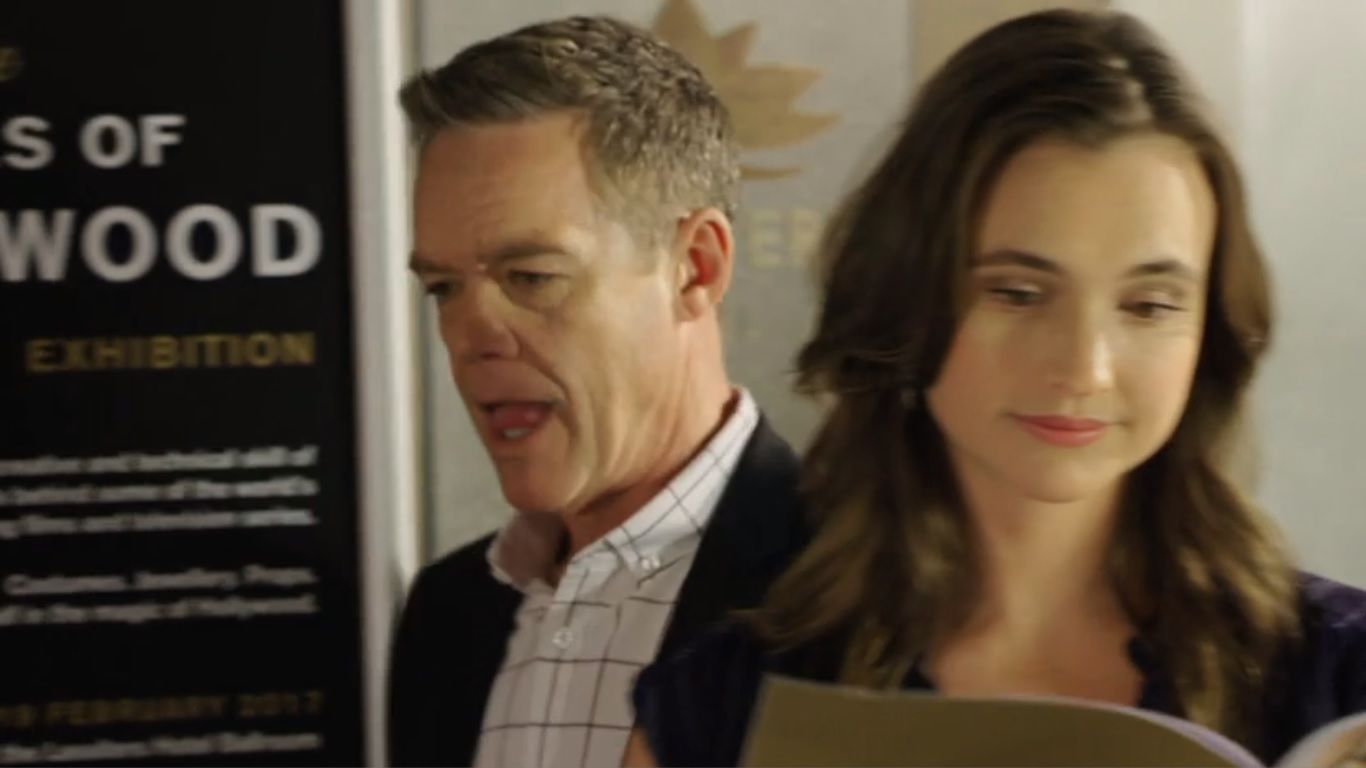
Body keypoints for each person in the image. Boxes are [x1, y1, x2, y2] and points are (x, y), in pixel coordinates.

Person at [626, 9, 1366, 767]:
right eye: (1017, 293)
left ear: (1210, 330)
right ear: (907, 297)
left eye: (1149, 306)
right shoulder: (723, 704)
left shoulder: (1342, 679)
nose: (1085, 368)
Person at [385, 15, 809, 768]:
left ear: (696, 267)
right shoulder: (449, 613)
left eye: (531, 277)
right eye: (443, 288)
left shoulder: (852, 591)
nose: (471, 335)